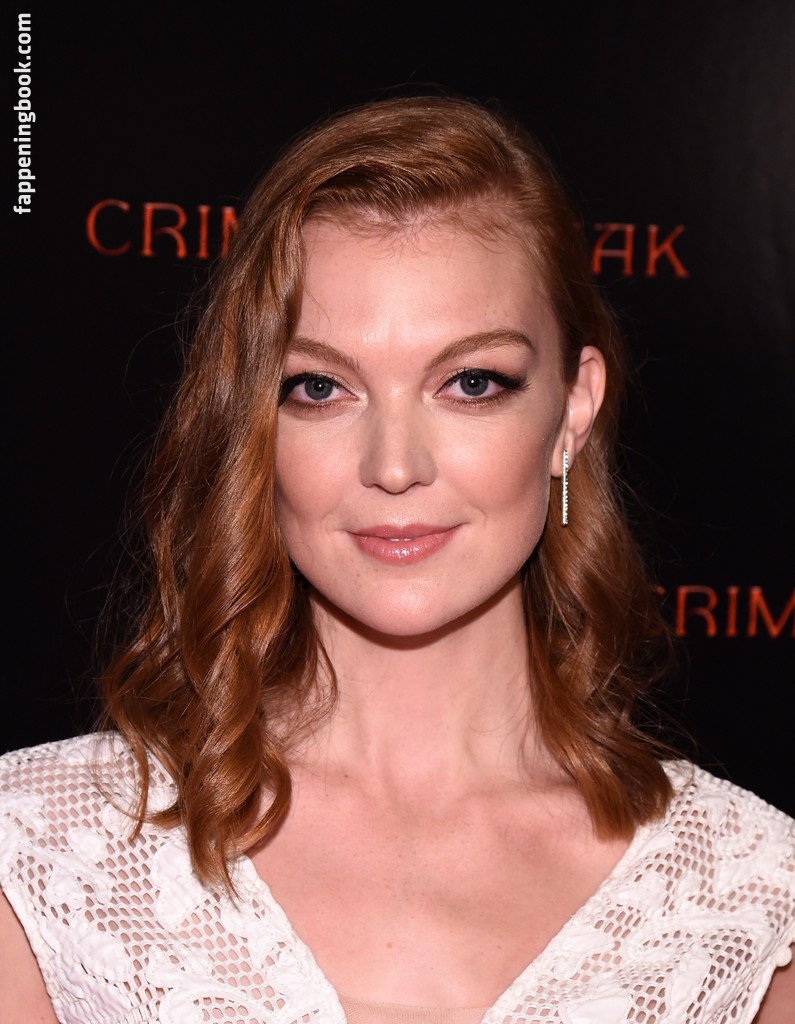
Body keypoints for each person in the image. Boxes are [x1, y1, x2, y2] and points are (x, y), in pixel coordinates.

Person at [1, 96, 793, 1024]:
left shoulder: (747, 899)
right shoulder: (46, 854)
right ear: (253, 421)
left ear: (571, 412)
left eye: (471, 383)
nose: (393, 466)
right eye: (319, 387)